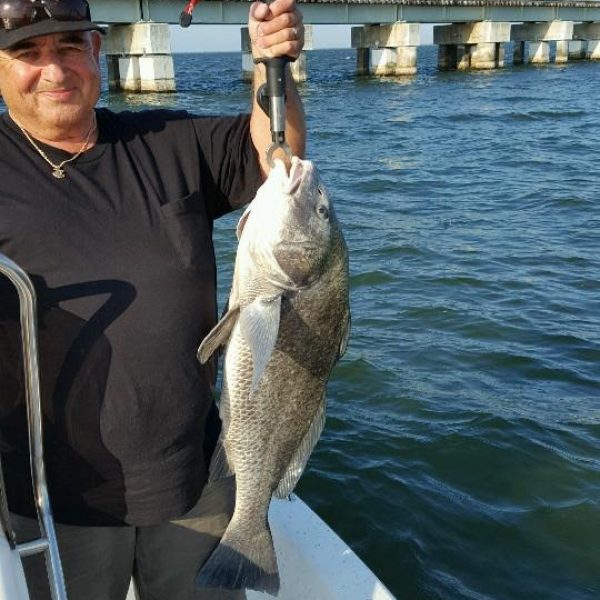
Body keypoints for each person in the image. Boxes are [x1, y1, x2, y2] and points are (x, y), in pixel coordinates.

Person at [0, 0, 306, 598]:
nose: (54, 71)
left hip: (196, 479)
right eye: (27, 55)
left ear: (96, 51)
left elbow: (279, 158)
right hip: (53, 499)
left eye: (67, 48)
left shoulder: (166, 140)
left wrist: (274, 63)